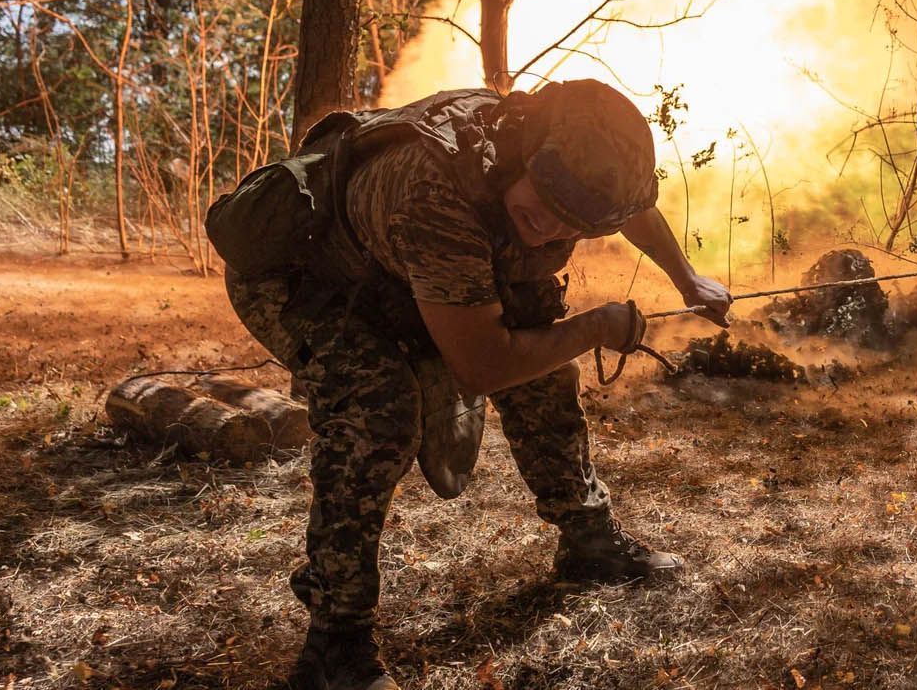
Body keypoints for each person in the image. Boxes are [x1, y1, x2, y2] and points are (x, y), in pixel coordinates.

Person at [210, 80, 731, 690]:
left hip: (412, 261)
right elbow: (482, 365)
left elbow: (627, 206)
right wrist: (593, 327)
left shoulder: (562, 153)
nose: (545, 234)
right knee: (378, 412)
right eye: (540, 210)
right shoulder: (434, 193)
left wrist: (687, 279)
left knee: (545, 371)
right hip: (309, 276)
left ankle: (589, 539)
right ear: (527, 157)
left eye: (571, 225)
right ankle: (335, 643)